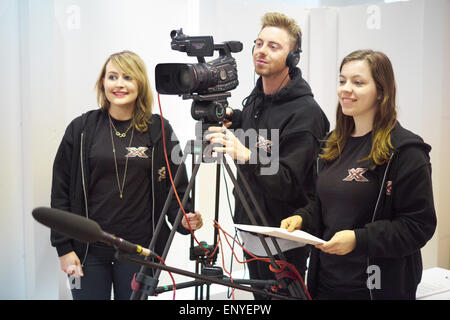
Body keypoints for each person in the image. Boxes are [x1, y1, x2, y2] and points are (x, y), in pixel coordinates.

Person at [281, 49, 437, 300]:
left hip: (377, 289)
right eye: (342, 81)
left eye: (358, 82)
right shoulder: (331, 144)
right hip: (326, 285)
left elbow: (418, 226)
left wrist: (359, 239)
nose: (346, 89)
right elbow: (327, 206)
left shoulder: (405, 151)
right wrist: (303, 218)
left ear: (381, 91)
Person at [50, 50, 203, 300]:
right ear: (102, 82)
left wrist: (185, 219)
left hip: (139, 250)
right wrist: (64, 248)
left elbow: (178, 186)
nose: (119, 84)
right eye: (112, 77)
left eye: (128, 77)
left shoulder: (159, 129)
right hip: (87, 252)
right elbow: (60, 192)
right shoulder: (81, 129)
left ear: (140, 84)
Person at [206, 12, 329, 299]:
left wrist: (247, 155)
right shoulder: (256, 100)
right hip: (251, 232)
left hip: (286, 240)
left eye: (274, 46)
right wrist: (234, 117)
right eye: (259, 43)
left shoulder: (306, 114)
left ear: (293, 58)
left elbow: (289, 181)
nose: (262, 50)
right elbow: (264, 134)